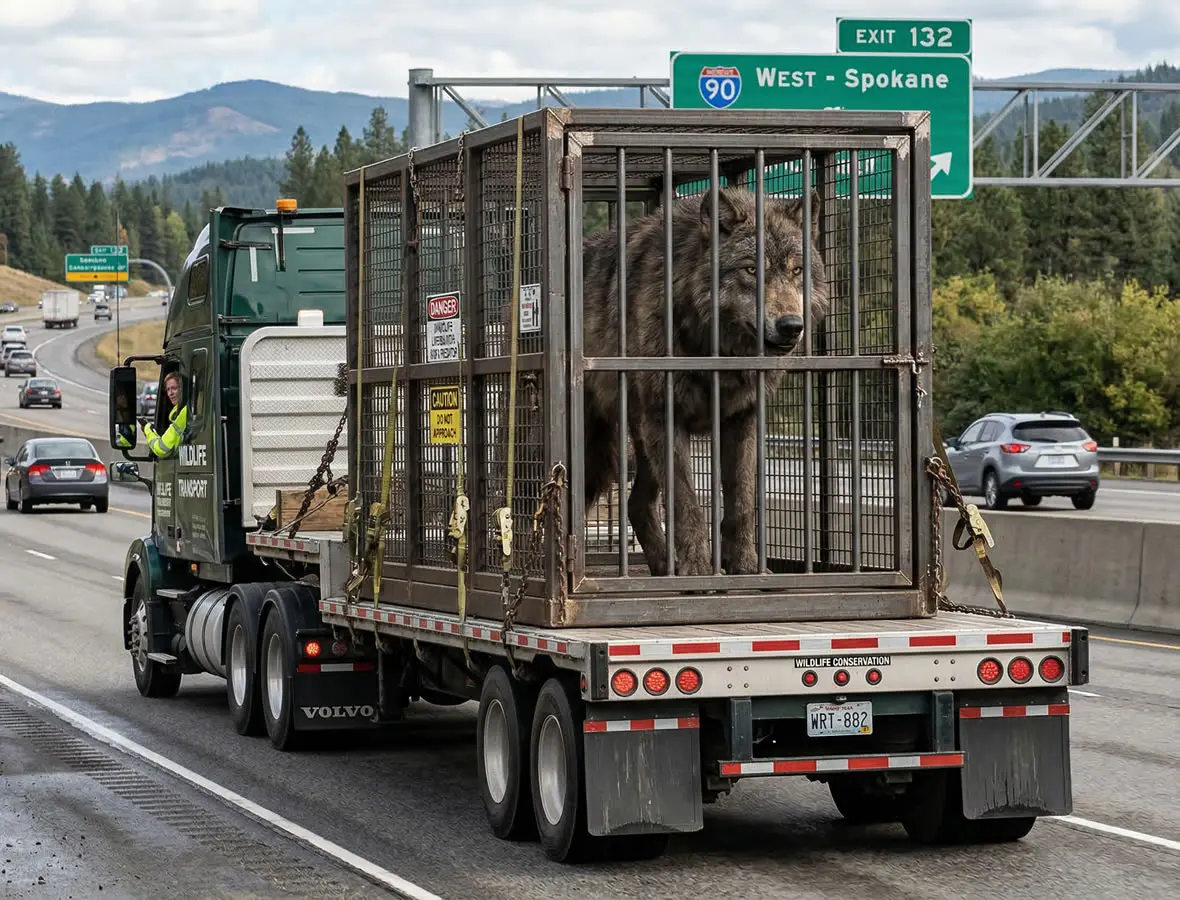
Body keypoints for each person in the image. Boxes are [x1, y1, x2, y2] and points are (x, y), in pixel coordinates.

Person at [140, 370, 189, 458]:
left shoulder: (185, 412)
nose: (170, 393)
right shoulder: (180, 412)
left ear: (183, 389)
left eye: (174, 388)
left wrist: (148, 430)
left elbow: (162, 449)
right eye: (168, 389)